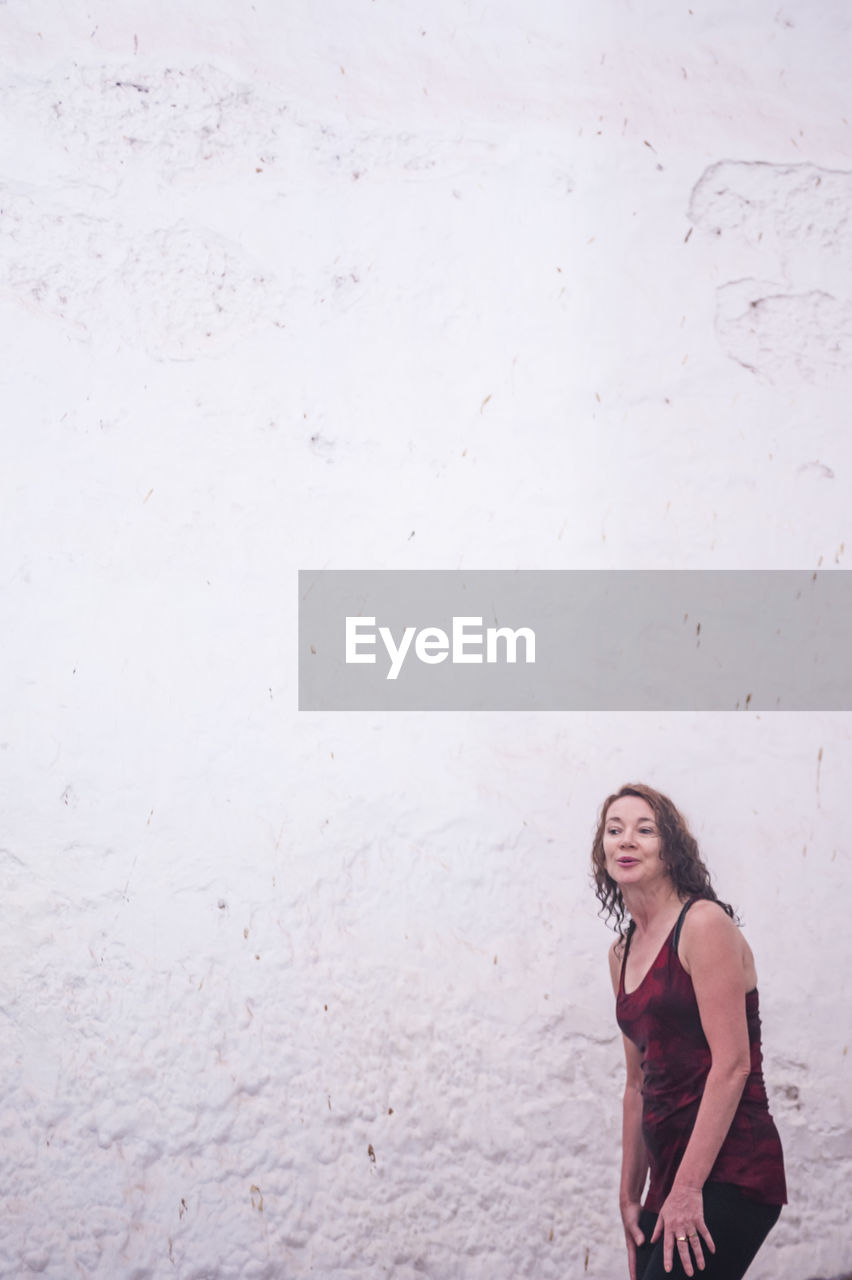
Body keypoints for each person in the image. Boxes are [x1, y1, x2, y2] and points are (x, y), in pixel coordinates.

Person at [591, 783, 787, 1280]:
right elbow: (637, 1086)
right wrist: (629, 1197)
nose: (626, 841)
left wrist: (687, 1189)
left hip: (731, 1169)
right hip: (671, 1178)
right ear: (603, 851)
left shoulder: (702, 925)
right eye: (614, 831)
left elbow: (733, 1064)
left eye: (644, 829)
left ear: (671, 847)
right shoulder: (621, 953)